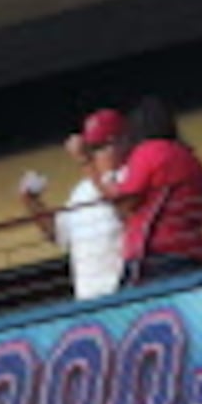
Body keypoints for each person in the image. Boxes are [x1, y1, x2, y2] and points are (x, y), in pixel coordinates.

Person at [22, 110, 127, 301]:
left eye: (100, 147)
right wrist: (31, 202)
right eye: (91, 149)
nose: (95, 155)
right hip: (87, 297)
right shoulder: (81, 190)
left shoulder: (129, 174)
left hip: (123, 290)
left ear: (121, 143)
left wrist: (84, 161)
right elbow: (57, 233)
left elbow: (117, 202)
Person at [107, 96, 202, 283]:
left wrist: (108, 179)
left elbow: (126, 203)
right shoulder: (191, 158)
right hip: (192, 250)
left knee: (130, 310)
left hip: (155, 252)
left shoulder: (148, 152)